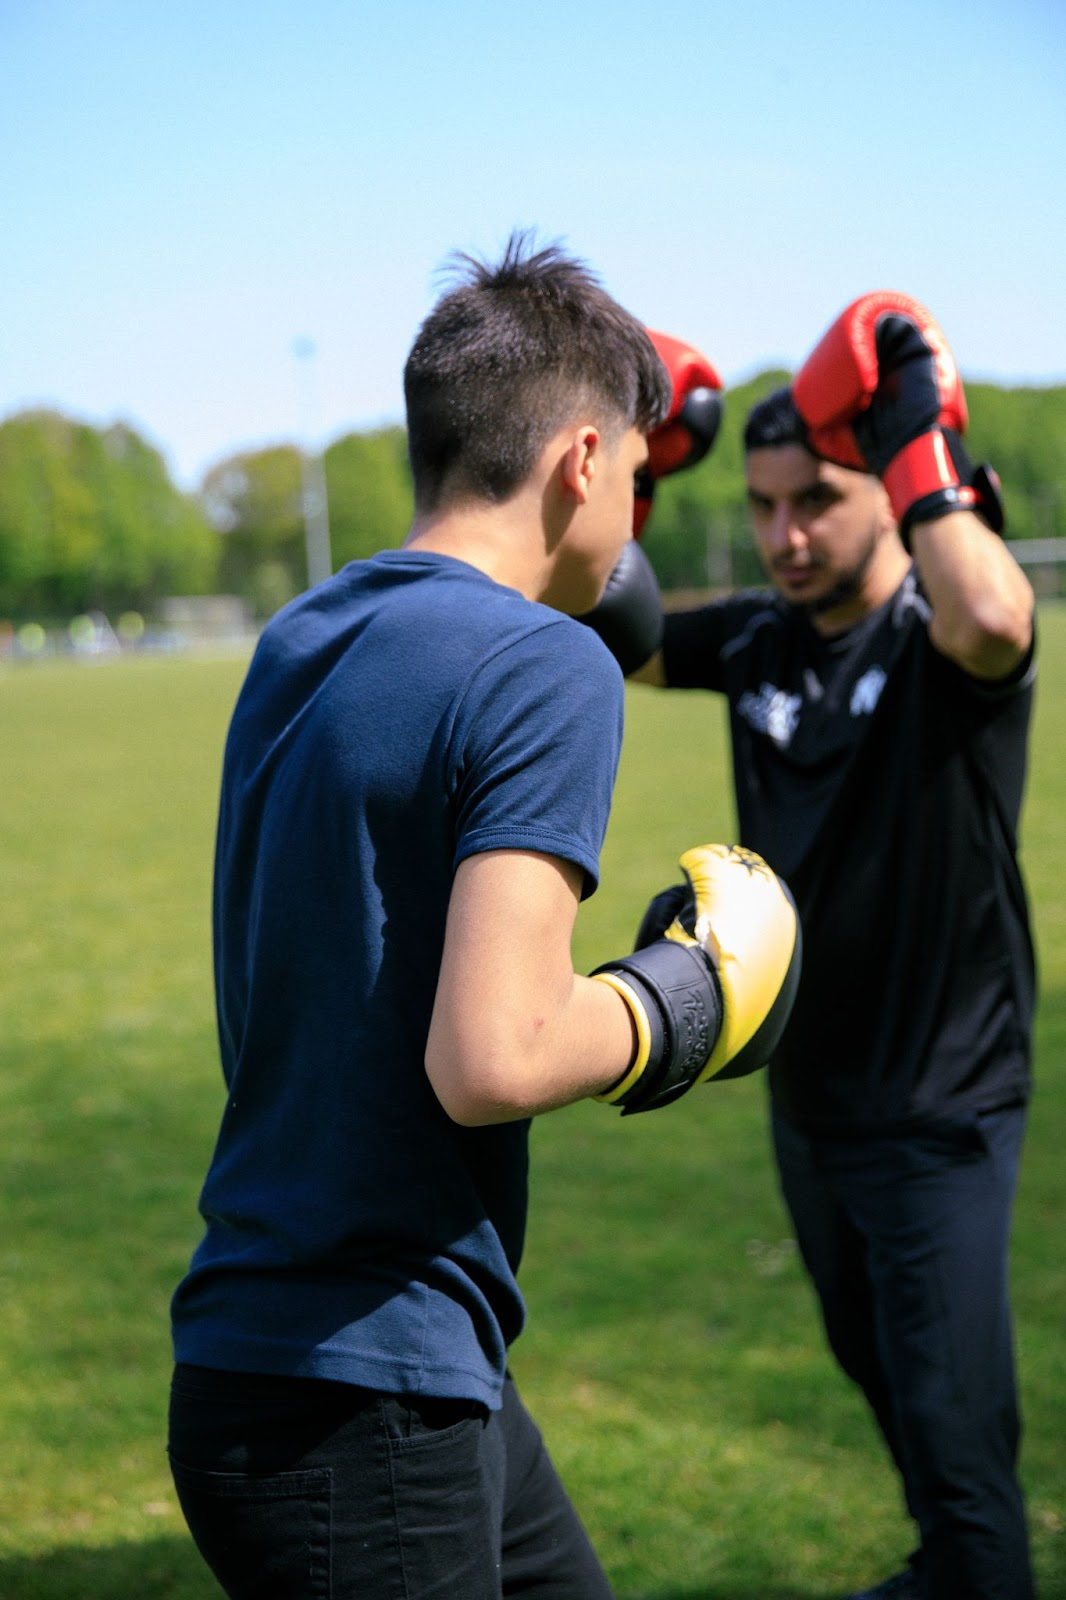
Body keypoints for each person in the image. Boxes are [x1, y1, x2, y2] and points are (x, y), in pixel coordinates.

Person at [166, 233, 800, 1600]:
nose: (632, 505)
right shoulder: (539, 662)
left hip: (289, 1351)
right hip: (364, 1399)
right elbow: (494, 1055)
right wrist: (679, 1000)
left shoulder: (300, 637)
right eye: (634, 470)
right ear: (581, 462)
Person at [634, 293, 1038, 1600]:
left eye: (810, 499)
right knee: (879, 1373)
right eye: (758, 508)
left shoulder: (934, 634)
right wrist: (632, 476)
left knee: (955, 1423)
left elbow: (992, 615)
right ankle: (944, 1568)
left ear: (880, 490)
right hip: (809, 1105)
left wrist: (913, 430)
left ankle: (972, 1571)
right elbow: (603, 627)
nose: (782, 535)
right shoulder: (757, 637)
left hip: (940, 1107)